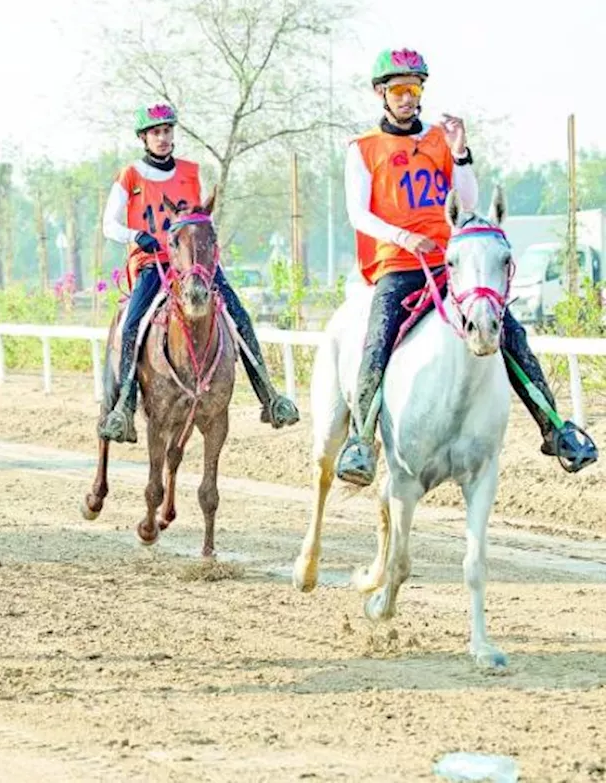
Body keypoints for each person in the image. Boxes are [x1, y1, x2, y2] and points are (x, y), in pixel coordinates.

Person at [335, 48, 597, 485]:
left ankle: (556, 429)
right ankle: (362, 441)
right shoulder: (363, 149)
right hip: (398, 265)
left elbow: (469, 204)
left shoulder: (440, 139)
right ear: (382, 94)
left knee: (510, 332)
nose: (407, 97)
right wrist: (403, 236)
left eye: (414, 88)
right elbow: (358, 214)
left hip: (450, 263)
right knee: (377, 341)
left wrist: (460, 154)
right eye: (399, 89)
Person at [99, 103, 299, 442]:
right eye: (155, 133)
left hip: (194, 265)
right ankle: (125, 406)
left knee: (239, 314)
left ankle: (269, 396)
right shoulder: (130, 175)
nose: (163, 138)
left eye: (167, 131)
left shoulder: (191, 172)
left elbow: (199, 219)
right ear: (144, 138)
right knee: (133, 323)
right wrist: (136, 236)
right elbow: (109, 224)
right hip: (154, 262)